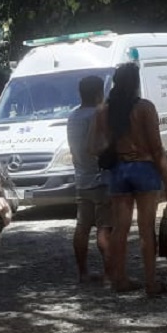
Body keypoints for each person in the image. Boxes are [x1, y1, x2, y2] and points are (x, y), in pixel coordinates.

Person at [92, 62, 167, 297]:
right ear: (136, 83)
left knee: (120, 229)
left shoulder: (103, 111)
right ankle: (151, 283)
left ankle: (119, 279)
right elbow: (157, 148)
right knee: (146, 229)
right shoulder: (145, 108)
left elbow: (93, 147)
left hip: (119, 170)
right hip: (144, 168)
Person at [67, 75, 112, 282]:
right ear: (98, 93)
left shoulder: (72, 117)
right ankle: (110, 272)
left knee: (82, 227)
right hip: (101, 178)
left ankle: (83, 272)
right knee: (105, 227)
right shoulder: (98, 115)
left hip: (81, 179)